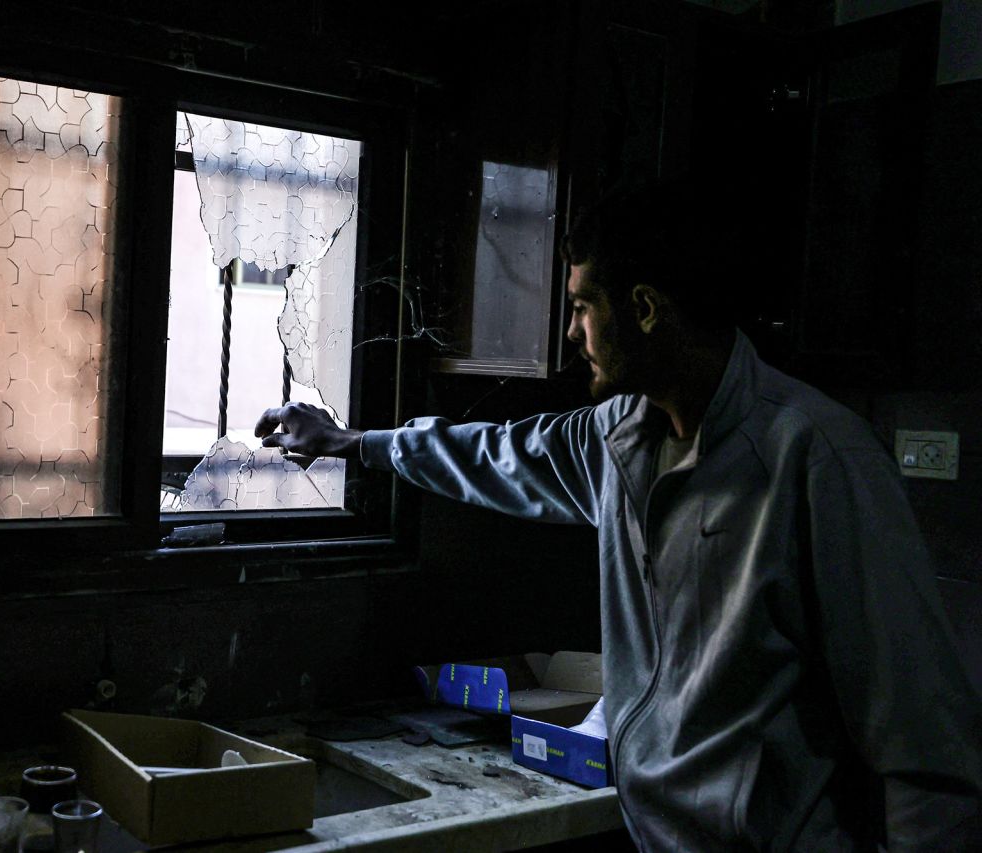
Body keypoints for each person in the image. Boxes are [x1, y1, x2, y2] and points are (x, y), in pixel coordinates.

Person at [255, 181, 982, 851]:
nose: (571, 332)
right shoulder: (620, 436)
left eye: (580, 306)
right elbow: (495, 454)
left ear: (642, 308)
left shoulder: (817, 460)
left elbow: (923, 741)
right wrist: (351, 443)